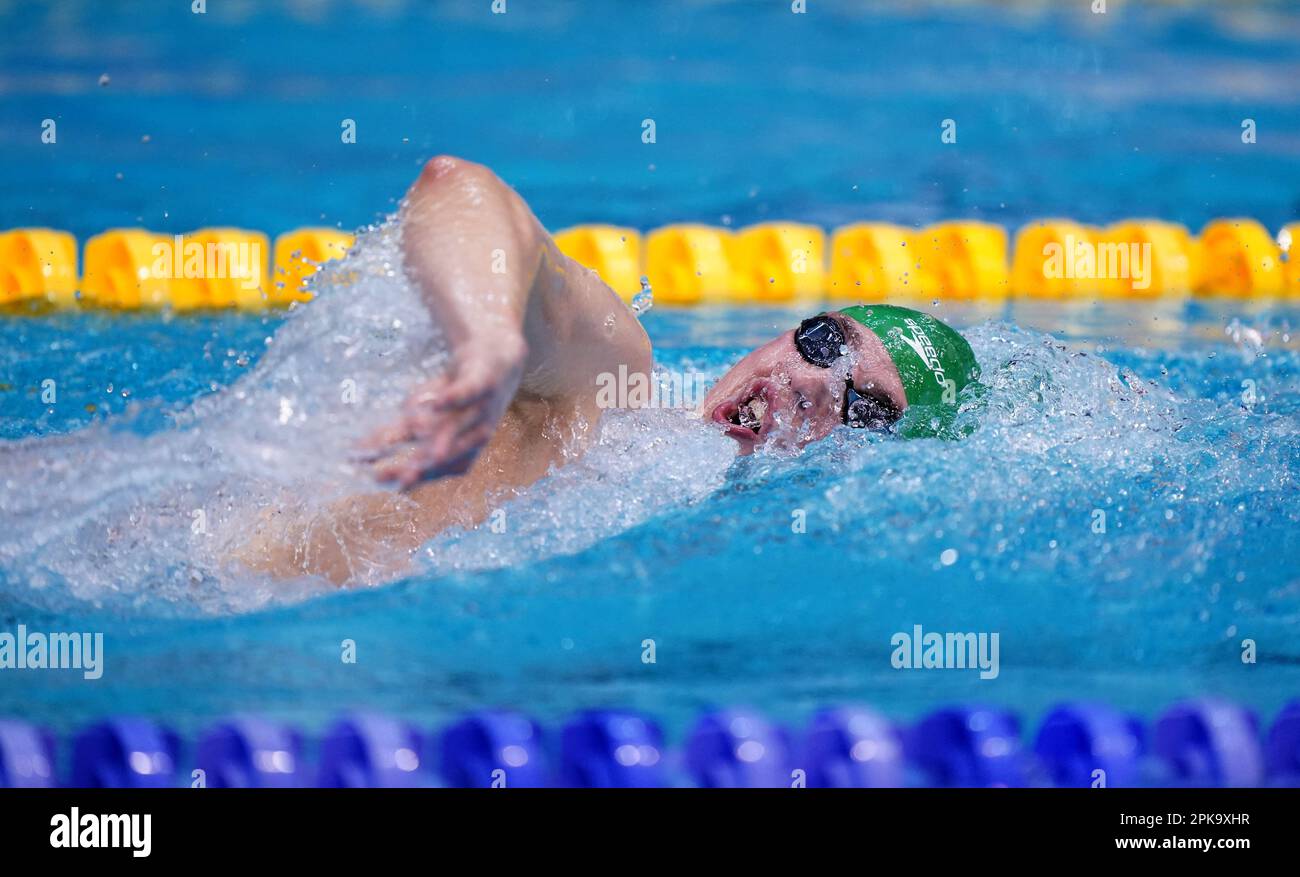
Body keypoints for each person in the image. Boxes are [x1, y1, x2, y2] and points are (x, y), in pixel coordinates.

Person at [235, 156, 979, 584]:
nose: (816, 382)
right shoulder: (604, 388)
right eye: (822, 342)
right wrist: (490, 340)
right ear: (783, 333)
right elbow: (456, 185)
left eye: (867, 409)